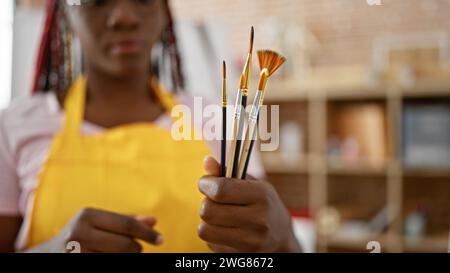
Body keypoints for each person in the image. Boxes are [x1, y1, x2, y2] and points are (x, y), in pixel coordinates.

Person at [0, 0, 301, 253]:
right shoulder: (14, 126)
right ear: (67, 11)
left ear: (164, 10)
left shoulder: (216, 118)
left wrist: (284, 238)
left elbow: (267, 241)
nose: (124, 17)